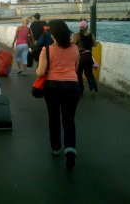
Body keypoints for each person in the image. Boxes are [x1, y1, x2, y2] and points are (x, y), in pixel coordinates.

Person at [36, 20, 80, 170]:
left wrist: (39, 69)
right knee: (69, 119)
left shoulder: (47, 50)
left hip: (52, 86)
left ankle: (56, 148)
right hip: (73, 86)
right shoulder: (75, 48)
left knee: (54, 117)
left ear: (52, 34)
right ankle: (70, 151)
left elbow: (40, 72)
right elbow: (75, 68)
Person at [72, 20, 98, 97]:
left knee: (78, 74)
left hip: (80, 57)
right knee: (89, 74)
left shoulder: (77, 35)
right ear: (87, 27)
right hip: (88, 57)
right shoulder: (91, 35)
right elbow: (95, 44)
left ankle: (80, 91)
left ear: (79, 27)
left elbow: (73, 45)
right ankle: (93, 88)